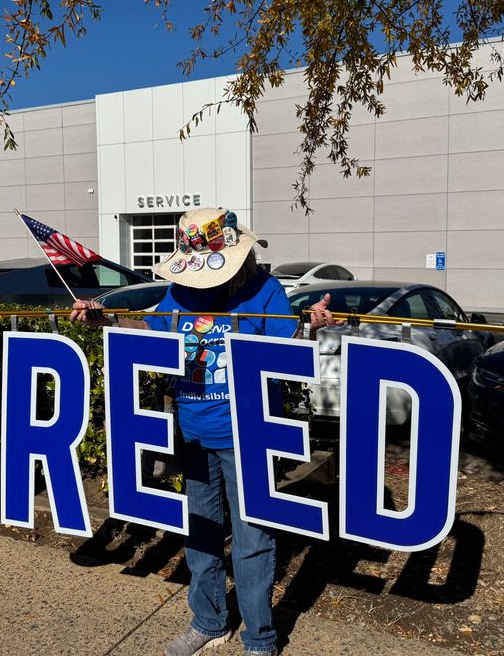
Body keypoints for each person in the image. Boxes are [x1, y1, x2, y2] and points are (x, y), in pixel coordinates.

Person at [72, 207, 333, 656]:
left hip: (249, 433)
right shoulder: (179, 292)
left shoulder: (264, 291)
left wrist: (311, 325)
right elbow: (149, 329)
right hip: (192, 429)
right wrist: (104, 319)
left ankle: (260, 638)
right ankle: (209, 621)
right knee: (201, 532)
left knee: (253, 538)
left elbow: (287, 346)